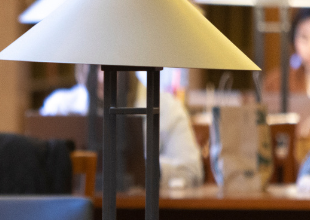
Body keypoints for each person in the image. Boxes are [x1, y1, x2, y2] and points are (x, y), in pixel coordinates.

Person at [39, 65, 204, 188]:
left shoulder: (166, 107)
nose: (104, 78)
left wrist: (142, 168)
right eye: (95, 67)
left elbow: (192, 173)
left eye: (112, 67)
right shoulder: (58, 108)